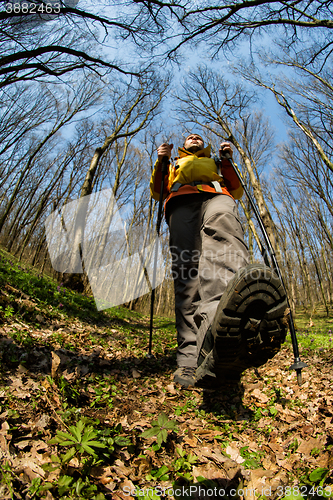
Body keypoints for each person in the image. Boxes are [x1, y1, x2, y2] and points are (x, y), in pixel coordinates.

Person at [150, 133, 287, 388]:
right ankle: (190, 359)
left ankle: (220, 338)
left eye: (198, 137)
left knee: (225, 246)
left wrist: (227, 161)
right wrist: (161, 161)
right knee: (187, 275)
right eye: (190, 136)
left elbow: (236, 189)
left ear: (204, 145)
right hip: (180, 204)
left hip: (217, 198)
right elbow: (158, 191)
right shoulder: (174, 164)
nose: (194, 137)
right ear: (184, 145)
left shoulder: (215, 162)